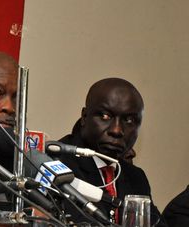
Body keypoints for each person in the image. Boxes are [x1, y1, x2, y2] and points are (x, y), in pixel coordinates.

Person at [57, 78, 164, 225]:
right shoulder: (58, 164)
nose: (116, 130)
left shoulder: (136, 177)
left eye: (129, 120)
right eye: (105, 116)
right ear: (84, 117)